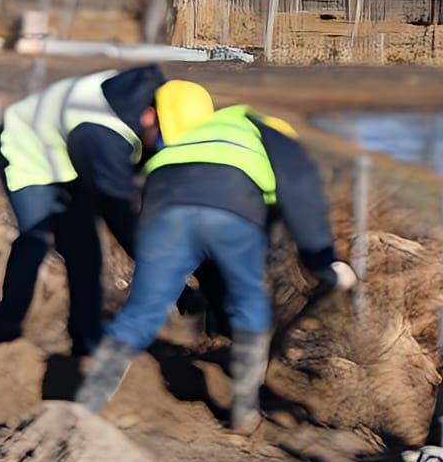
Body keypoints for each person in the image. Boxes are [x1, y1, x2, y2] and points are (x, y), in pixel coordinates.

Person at [75, 103, 356, 431]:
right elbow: (301, 197)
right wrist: (322, 263)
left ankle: (85, 407)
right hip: (231, 201)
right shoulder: (276, 137)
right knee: (249, 303)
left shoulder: (205, 130)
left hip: (161, 200)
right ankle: (245, 411)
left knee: (140, 311)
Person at [0, 66, 214, 357]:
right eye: (161, 143)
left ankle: (86, 345)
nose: (159, 151)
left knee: (85, 253)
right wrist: (177, 286)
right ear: (150, 117)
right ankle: (3, 338)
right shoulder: (103, 134)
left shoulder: (160, 104)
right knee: (36, 240)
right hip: (28, 147)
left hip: (70, 154)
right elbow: (120, 218)